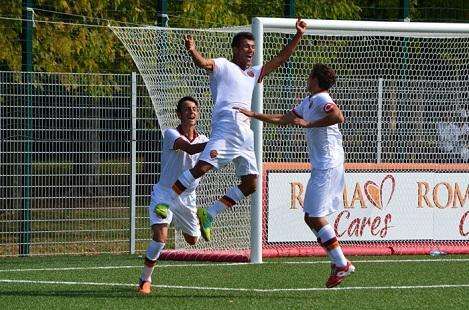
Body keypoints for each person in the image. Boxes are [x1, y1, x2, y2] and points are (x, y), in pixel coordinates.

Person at [170, 18, 307, 241]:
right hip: (226, 129)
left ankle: (210, 213)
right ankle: (167, 199)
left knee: (251, 183)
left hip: (245, 135)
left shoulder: (253, 74)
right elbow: (203, 63)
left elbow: (281, 59)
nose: (250, 51)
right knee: (202, 168)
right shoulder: (224, 65)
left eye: (253, 48)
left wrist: (298, 35)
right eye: (246, 47)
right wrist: (193, 50)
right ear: (235, 49)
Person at [236, 63, 355, 288]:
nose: (307, 78)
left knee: (314, 216)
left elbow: (338, 116)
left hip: (329, 164)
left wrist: (309, 123)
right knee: (310, 216)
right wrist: (253, 114)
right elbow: (284, 119)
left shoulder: (321, 99)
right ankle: (339, 262)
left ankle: (341, 264)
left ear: (315, 80)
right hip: (323, 165)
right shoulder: (309, 101)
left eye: (310, 76)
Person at [137, 96, 208, 295]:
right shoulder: (170, 134)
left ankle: (198, 216)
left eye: (194, 108)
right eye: (186, 109)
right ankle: (145, 279)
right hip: (165, 195)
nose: (191, 112)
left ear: (198, 113)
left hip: (187, 198)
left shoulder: (204, 139)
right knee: (160, 239)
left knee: (193, 240)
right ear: (179, 114)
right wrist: (218, 141)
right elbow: (190, 148)